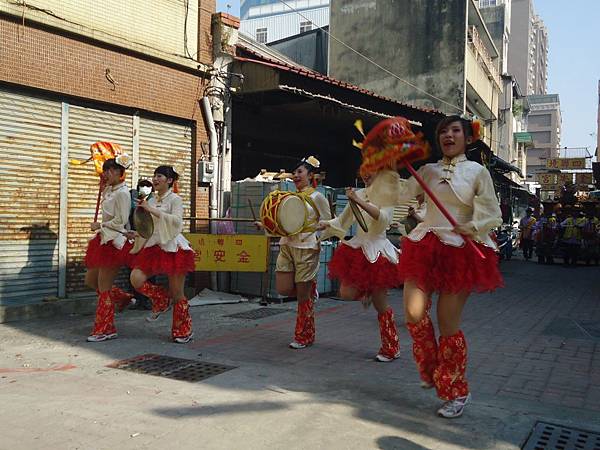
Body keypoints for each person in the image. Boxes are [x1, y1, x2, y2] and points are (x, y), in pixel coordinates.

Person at [396, 115, 503, 418]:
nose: (448, 135)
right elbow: (404, 197)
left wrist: (474, 225)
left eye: (455, 130)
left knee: (447, 324)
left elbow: (492, 212)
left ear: (468, 138)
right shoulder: (426, 171)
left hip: (459, 250)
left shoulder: (478, 172)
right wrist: (397, 174)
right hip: (425, 245)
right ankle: (432, 369)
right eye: (443, 131)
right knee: (414, 314)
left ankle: (457, 391)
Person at [320, 169, 403, 362]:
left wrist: (358, 201)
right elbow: (342, 221)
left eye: (372, 170)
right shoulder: (357, 194)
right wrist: (325, 224)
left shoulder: (387, 196)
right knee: (346, 293)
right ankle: (366, 291)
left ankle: (391, 347)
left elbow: (383, 219)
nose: (366, 174)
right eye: (364, 169)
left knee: (381, 305)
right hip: (358, 248)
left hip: (378, 252)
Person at [129, 165, 196, 344]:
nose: (155, 179)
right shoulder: (150, 200)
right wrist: (135, 233)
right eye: (154, 176)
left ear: (169, 180)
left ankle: (183, 330)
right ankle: (161, 300)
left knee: (177, 292)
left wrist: (152, 210)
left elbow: (176, 222)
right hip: (154, 247)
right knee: (136, 278)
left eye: (160, 176)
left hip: (174, 247)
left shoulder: (175, 199)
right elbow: (148, 228)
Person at [273, 156, 331, 349]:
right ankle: (308, 288)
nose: (296, 175)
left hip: (307, 248)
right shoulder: (290, 197)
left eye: (300, 172)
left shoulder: (318, 197)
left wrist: (318, 230)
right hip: (287, 244)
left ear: (311, 175)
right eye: (295, 172)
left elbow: (329, 223)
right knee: (282, 288)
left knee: (302, 298)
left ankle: (303, 336)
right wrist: (266, 225)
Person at [84, 155, 136, 342]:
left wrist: (100, 226)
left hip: (114, 242)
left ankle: (104, 329)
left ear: (117, 172)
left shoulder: (123, 193)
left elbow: (121, 221)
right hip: (103, 240)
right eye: (105, 171)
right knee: (91, 280)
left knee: (104, 288)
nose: (106, 174)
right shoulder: (109, 190)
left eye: (109, 171)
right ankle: (122, 298)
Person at [128, 178, 154, 310]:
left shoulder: (154, 201)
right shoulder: (132, 200)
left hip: (149, 240)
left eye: (147, 186)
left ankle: (150, 298)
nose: (144, 188)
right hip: (135, 239)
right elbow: (128, 217)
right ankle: (138, 298)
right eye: (142, 186)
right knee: (133, 270)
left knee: (149, 272)